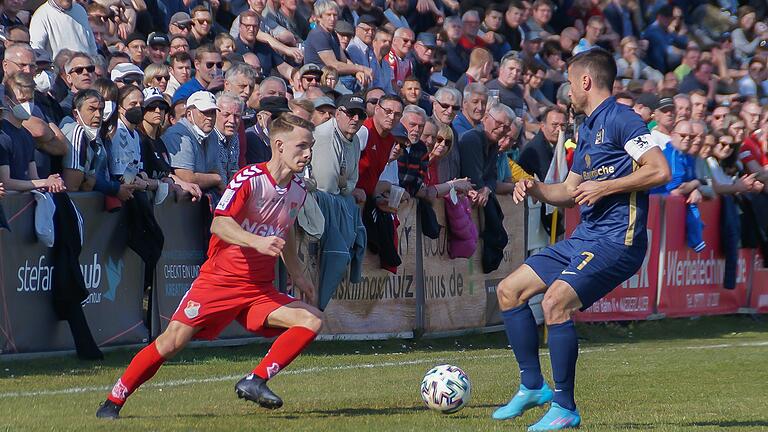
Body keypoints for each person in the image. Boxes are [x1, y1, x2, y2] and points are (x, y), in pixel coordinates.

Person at [96, 114, 321, 419]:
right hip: (221, 281)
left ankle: (255, 380)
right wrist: (254, 242)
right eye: (302, 146)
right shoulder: (250, 179)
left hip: (258, 289)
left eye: (311, 146)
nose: (308, 153)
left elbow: (287, 231)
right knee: (172, 342)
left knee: (312, 320)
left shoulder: (298, 189)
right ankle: (114, 399)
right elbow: (220, 224)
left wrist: (297, 273)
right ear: (279, 145)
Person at [493, 49, 670, 430]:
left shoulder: (623, 119)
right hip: (584, 237)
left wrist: (606, 187)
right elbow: (570, 191)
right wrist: (534, 187)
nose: (567, 91)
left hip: (616, 242)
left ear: (586, 81)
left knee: (555, 302)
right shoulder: (586, 127)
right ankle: (531, 386)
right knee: (509, 290)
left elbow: (660, 171)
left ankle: (565, 408)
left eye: (570, 82)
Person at [0, 72, 65, 192]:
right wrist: (44, 182)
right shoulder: (3, 135)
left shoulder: (27, 135)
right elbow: (6, 182)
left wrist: (52, 183)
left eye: (30, 100)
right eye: (21, 100)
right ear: (7, 101)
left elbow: (33, 178)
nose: (27, 105)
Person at [162, 91, 224, 192]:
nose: (210, 117)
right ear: (189, 114)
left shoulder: (212, 134)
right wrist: (217, 179)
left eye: (213, 112)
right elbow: (187, 178)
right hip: (179, 199)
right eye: (204, 112)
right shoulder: (178, 135)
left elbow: (215, 168)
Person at [310, 94, 365, 200]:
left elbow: (353, 180)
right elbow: (327, 187)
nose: (356, 118)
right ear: (338, 114)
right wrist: (344, 186)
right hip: (320, 200)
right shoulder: (325, 136)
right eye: (351, 113)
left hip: (336, 197)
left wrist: (344, 185)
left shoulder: (356, 140)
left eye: (361, 115)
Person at [29, 0, 98, 58]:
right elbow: (37, 50)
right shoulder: (41, 15)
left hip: (86, 69)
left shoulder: (80, 10)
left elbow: (92, 46)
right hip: (59, 71)